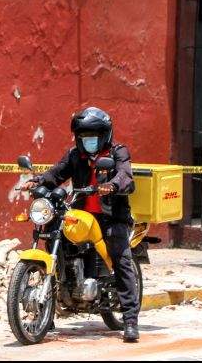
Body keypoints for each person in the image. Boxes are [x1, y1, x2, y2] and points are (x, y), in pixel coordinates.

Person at [20, 106, 140, 342]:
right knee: (55, 236)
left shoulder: (118, 152)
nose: (88, 141)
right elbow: (57, 172)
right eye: (84, 137)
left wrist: (113, 186)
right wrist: (36, 181)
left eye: (93, 136)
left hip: (111, 216)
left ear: (104, 135)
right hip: (80, 213)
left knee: (121, 258)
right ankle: (49, 307)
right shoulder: (76, 155)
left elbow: (125, 176)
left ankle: (130, 320)